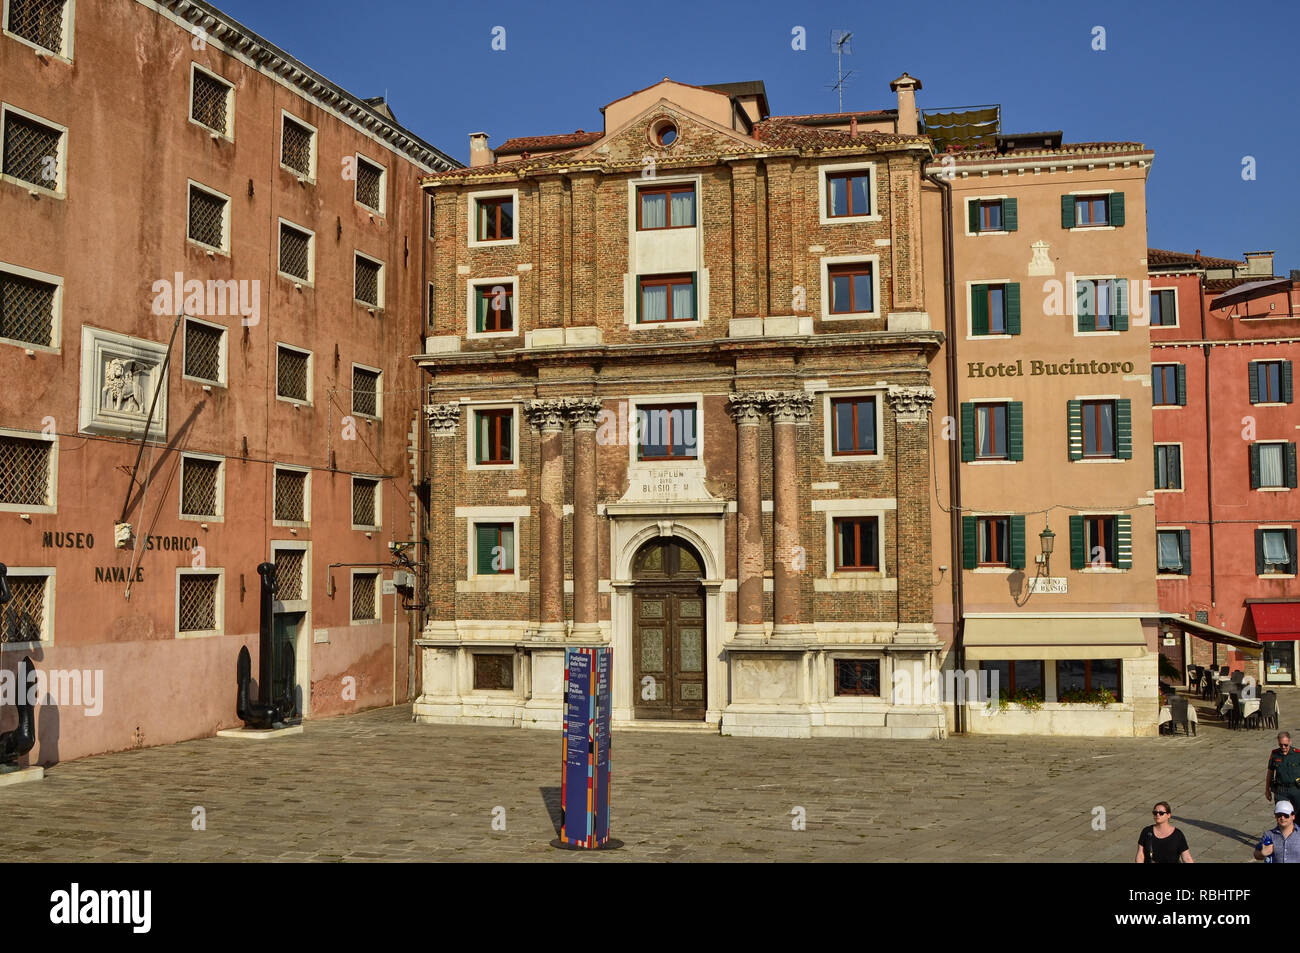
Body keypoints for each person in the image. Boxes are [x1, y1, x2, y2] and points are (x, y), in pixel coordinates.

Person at [1265, 731, 1300, 806]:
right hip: (1281, 790)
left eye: (1286, 745)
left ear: (1290, 742)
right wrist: (1267, 790)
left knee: (1298, 815)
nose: (1283, 747)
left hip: (1296, 789)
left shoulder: (1297, 754)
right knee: (1282, 815)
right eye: (1281, 745)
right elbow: (1270, 772)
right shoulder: (1275, 754)